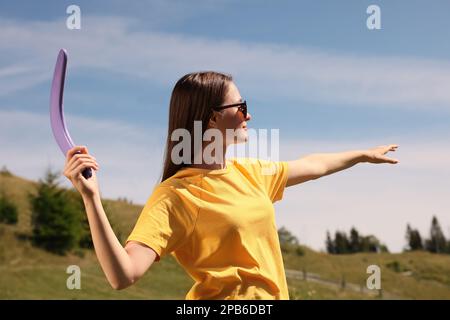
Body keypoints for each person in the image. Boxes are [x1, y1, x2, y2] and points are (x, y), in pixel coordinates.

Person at [63, 71, 399, 299]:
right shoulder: (175, 196)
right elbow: (123, 275)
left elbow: (313, 165)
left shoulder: (250, 173)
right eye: (241, 108)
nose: (248, 116)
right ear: (211, 118)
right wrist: (92, 199)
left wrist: (362, 154)